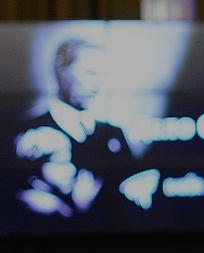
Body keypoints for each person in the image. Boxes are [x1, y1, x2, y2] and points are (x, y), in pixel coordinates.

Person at [14, 38, 133, 217]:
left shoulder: (114, 135)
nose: (97, 86)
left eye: (102, 75)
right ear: (61, 70)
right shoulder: (25, 132)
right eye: (90, 73)